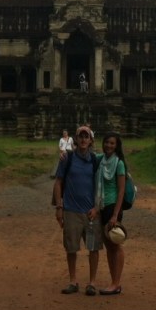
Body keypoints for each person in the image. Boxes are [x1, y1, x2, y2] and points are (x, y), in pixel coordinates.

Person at [52, 125, 101, 296]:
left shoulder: (95, 160)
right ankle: (73, 281)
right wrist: (59, 207)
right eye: (80, 136)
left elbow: (102, 184)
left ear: (91, 140)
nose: (83, 139)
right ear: (76, 139)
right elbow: (58, 182)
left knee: (93, 248)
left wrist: (97, 207)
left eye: (86, 136)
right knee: (71, 248)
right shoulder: (68, 158)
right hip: (71, 210)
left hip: (91, 212)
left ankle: (92, 282)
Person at [96, 131, 127, 295]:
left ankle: (116, 283)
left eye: (112, 143)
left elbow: (121, 190)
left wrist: (115, 215)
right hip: (101, 205)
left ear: (117, 146)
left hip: (113, 207)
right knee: (109, 245)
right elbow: (84, 155)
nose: (108, 145)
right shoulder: (101, 160)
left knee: (115, 244)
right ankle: (114, 282)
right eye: (106, 142)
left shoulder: (119, 163)